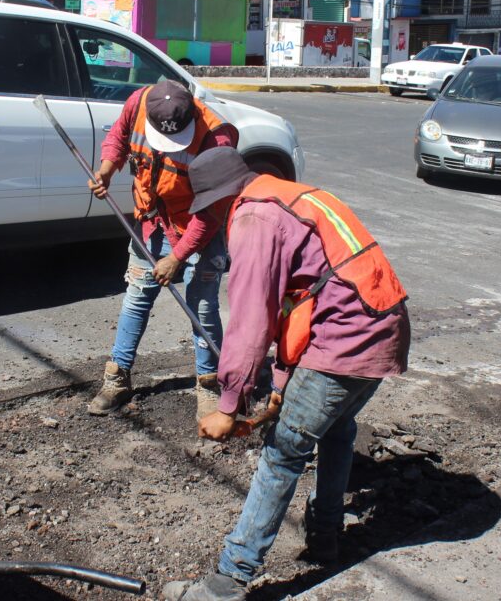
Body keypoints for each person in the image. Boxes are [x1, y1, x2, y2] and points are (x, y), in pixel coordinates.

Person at [162, 148, 411, 601]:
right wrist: (279, 386)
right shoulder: (291, 196)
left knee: (282, 454)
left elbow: (252, 321)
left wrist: (229, 405)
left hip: (345, 339)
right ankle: (326, 536)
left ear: (219, 199)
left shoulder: (254, 220)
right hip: (383, 328)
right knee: (337, 430)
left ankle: (227, 582)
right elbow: (302, 300)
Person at [87, 80, 238, 421]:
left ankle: (208, 383)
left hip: (201, 228)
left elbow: (211, 211)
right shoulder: (139, 102)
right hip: (153, 221)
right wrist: (107, 170)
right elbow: (118, 138)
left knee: (201, 305)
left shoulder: (216, 138)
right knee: (138, 295)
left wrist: (177, 256)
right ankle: (117, 377)